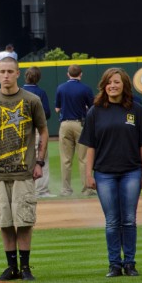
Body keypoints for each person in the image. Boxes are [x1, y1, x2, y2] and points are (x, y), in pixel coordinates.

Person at [79, 68, 142, 278]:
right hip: (104, 173)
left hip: (131, 171)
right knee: (112, 220)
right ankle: (114, 264)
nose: (113, 86)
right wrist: (88, 174)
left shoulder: (136, 110)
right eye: (109, 82)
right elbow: (90, 146)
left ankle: (129, 263)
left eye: (117, 82)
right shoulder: (95, 111)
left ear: (124, 86)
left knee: (129, 219)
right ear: (104, 86)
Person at [0, 56, 48, 281]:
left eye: (10, 71)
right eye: (2, 71)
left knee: (24, 220)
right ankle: (12, 267)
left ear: (18, 73)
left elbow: (43, 131)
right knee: (5, 221)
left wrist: (39, 162)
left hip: (24, 170)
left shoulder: (32, 100)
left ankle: (26, 267)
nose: (6, 75)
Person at [55, 64, 94, 196]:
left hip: (65, 124)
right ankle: (87, 189)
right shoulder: (85, 89)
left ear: (68, 74)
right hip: (80, 124)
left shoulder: (61, 87)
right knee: (83, 158)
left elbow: (57, 109)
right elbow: (93, 108)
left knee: (66, 159)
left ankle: (66, 190)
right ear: (80, 74)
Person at [22, 66, 55, 198]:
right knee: (41, 158)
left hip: (21, 130)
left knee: (23, 159)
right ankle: (41, 190)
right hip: (36, 129)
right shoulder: (40, 92)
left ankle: (26, 189)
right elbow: (47, 113)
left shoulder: (19, 91)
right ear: (39, 78)